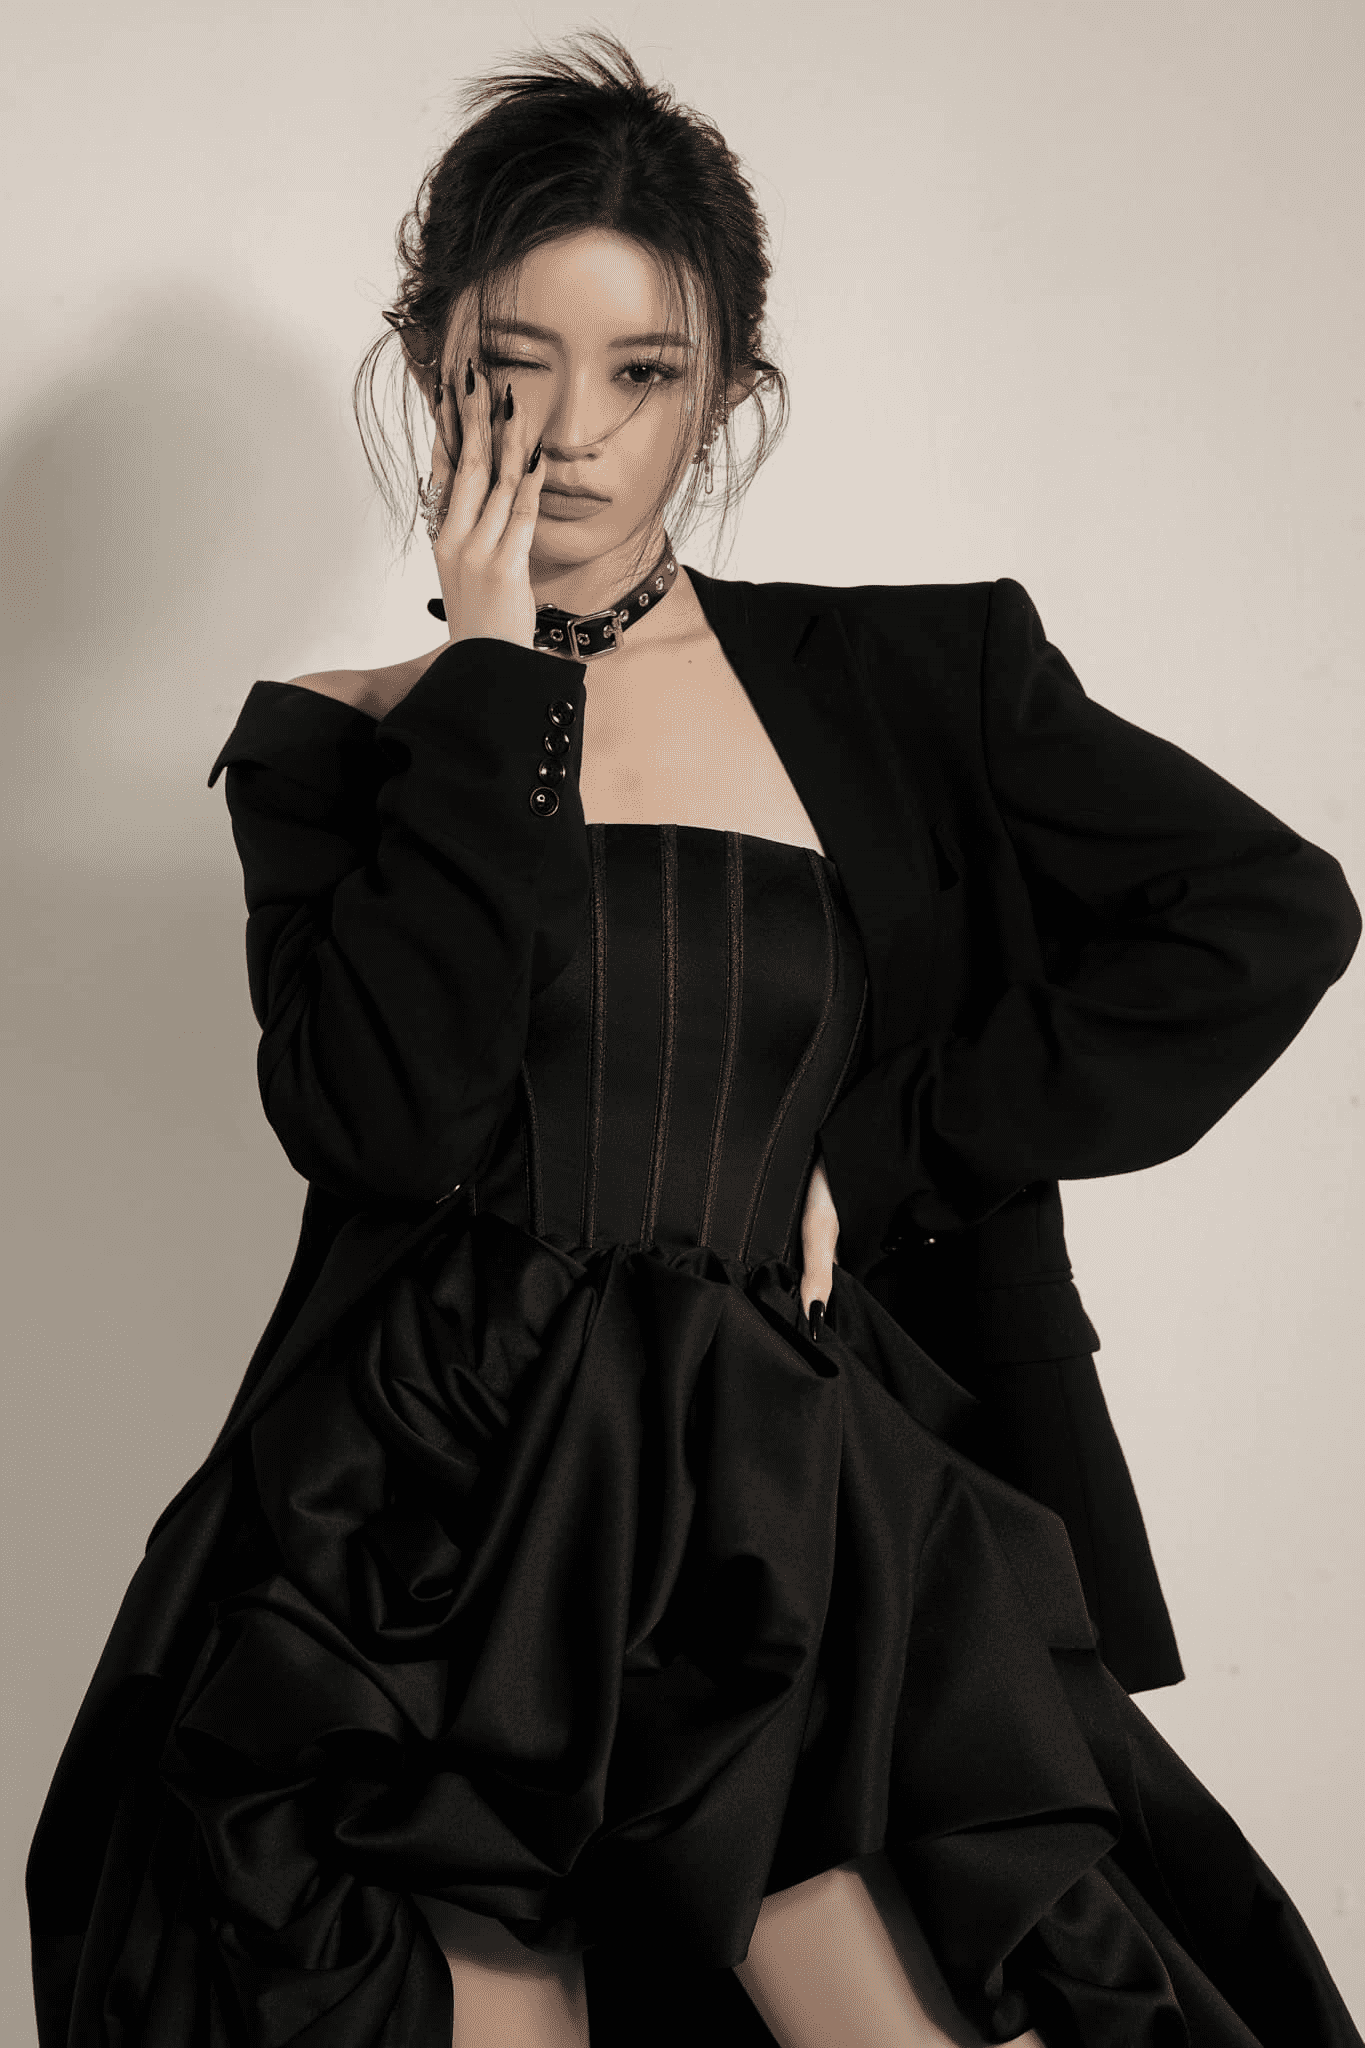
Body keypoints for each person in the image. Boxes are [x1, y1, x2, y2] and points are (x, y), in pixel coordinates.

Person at [26, 29, 1362, 2048]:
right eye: (512, 365)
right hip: (420, 1541)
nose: (571, 435)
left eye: (642, 373)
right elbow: (385, 1124)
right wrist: (494, 676)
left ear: (726, 392)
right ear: (430, 365)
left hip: (776, 1520)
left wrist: (889, 1148)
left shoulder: (909, 679)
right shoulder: (340, 745)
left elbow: (1267, 912)